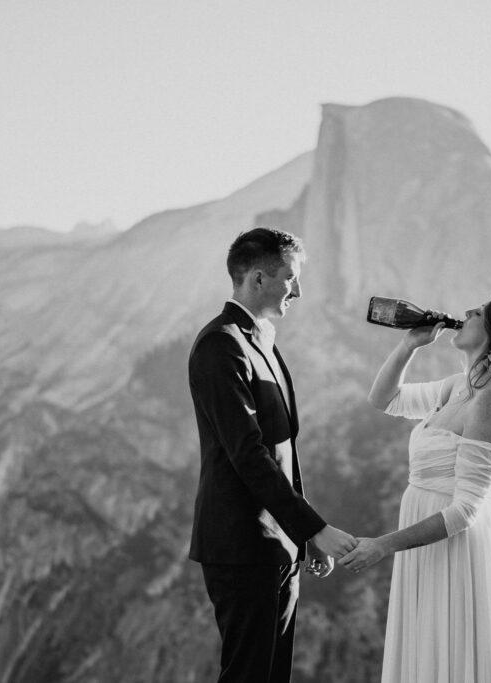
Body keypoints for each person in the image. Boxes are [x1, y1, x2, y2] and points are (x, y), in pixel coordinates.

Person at [342, 294, 491, 682]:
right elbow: (383, 399)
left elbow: (466, 512)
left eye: (478, 313)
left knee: (453, 660)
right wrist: (409, 344)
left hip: (456, 549)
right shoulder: (460, 387)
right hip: (428, 545)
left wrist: (383, 544)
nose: (467, 313)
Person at [187, 227, 357, 683]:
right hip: (241, 546)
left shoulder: (261, 340)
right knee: (248, 675)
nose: (297, 290)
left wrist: (300, 537)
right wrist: (315, 528)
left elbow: (284, 449)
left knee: (272, 675)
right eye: (291, 277)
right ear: (258, 278)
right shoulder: (220, 344)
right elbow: (248, 455)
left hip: (277, 546)